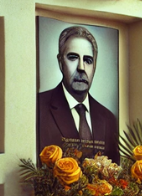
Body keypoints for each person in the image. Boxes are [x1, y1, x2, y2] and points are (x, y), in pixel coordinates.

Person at [38, 25, 119, 162]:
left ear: (94, 66)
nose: (81, 67)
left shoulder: (109, 119)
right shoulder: (38, 107)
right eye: (73, 57)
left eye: (88, 60)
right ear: (60, 62)